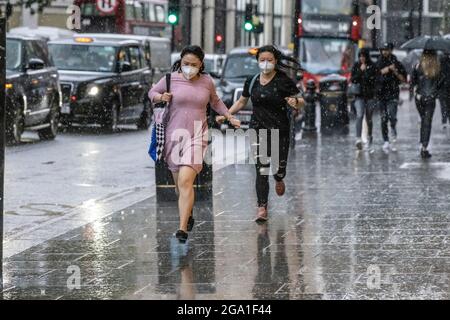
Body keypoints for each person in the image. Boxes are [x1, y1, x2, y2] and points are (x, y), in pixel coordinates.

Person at [149, 45, 240, 242]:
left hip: (198, 136)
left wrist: (229, 116)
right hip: (173, 136)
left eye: (194, 65)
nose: (189, 68)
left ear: (201, 65)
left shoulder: (207, 81)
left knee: (185, 181)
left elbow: (215, 102)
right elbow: (152, 93)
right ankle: (188, 214)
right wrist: (160, 96)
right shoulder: (170, 79)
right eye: (185, 64)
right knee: (179, 185)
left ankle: (182, 229)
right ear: (180, 62)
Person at [217, 45, 304, 222]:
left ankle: (279, 178)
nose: (265, 64)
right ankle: (262, 207)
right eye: (262, 60)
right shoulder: (252, 80)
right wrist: (227, 114)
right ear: (257, 62)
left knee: (278, 168)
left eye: (269, 60)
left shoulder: (283, 80)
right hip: (258, 129)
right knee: (261, 169)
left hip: (280, 129)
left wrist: (295, 102)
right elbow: (242, 101)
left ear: (276, 61)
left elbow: (301, 100)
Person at [411, 49, 444, 159]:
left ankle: (423, 144)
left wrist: (416, 93)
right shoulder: (437, 68)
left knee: (424, 121)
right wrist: (434, 94)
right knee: (426, 122)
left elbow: (413, 82)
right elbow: (441, 84)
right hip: (429, 99)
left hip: (420, 98)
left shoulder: (418, 66)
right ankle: (423, 146)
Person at [375, 42, 407, 151]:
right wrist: (385, 70)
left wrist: (395, 71)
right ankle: (386, 140)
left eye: (387, 49)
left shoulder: (397, 63)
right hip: (381, 94)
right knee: (383, 118)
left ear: (391, 50)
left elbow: (404, 80)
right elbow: (374, 77)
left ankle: (393, 127)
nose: (385, 52)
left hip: (393, 93)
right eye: (383, 49)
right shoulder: (378, 63)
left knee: (392, 115)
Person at [350, 48, 377, 150]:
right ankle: (358, 138)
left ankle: (369, 136)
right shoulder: (356, 66)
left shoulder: (373, 66)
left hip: (370, 96)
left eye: (363, 56)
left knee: (369, 118)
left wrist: (366, 73)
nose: (362, 58)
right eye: (360, 56)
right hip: (359, 95)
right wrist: (360, 71)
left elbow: (374, 79)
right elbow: (353, 79)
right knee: (359, 115)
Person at [438, 53, 450, 129]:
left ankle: (444, 121)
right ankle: (446, 120)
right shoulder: (443, 62)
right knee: (447, 105)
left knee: (443, 106)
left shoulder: (440, 62)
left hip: (443, 88)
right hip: (446, 87)